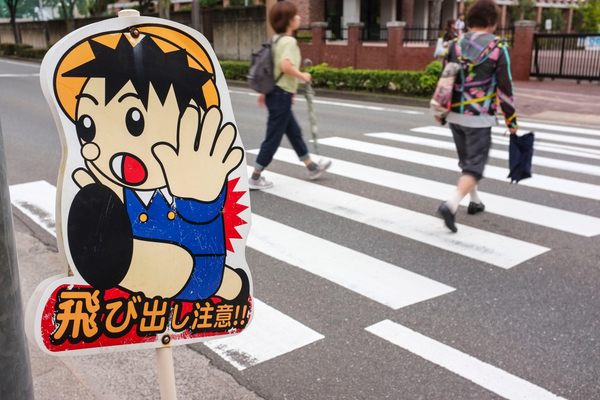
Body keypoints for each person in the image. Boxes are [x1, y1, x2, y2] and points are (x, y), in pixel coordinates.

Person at [437, 0, 518, 232]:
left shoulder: (454, 45)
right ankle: (450, 205)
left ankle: (475, 202)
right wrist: (511, 121)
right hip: (479, 118)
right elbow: (505, 89)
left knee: (467, 161)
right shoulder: (498, 49)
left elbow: (445, 79)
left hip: (454, 115)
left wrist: (442, 113)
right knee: (474, 167)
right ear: (492, 23)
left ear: (470, 21)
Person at [249, 0, 331, 190]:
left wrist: (265, 92)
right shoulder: (289, 41)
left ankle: (311, 167)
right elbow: (285, 66)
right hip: (280, 96)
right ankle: (255, 176)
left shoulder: (275, 40)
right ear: (288, 20)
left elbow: (271, 68)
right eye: (295, 15)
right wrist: (303, 76)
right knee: (273, 138)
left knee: (294, 133)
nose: (298, 17)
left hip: (276, 94)